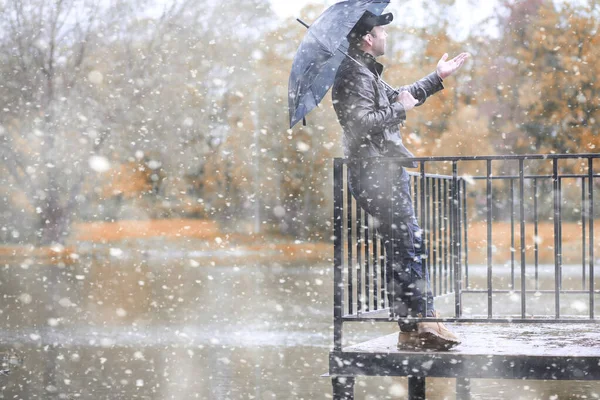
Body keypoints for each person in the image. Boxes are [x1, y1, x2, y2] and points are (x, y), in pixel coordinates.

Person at [332, 10, 469, 350]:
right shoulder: (354, 74)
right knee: (408, 244)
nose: (386, 37)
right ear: (368, 38)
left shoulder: (364, 72)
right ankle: (425, 322)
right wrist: (399, 110)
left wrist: (436, 77)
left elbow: (397, 98)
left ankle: (412, 328)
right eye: (382, 31)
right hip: (376, 174)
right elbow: (362, 122)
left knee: (401, 247)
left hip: (381, 172)